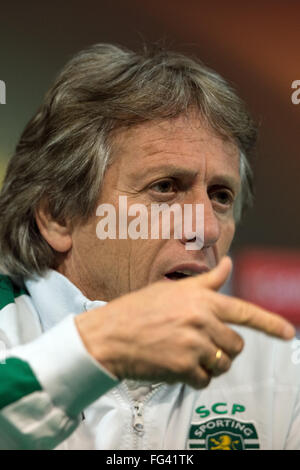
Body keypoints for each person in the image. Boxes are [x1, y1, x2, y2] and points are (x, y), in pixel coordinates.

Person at [0, 43, 298, 450]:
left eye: (221, 196)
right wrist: (99, 349)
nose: (206, 229)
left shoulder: (282, 370)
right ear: (59, 216)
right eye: (165, 188)